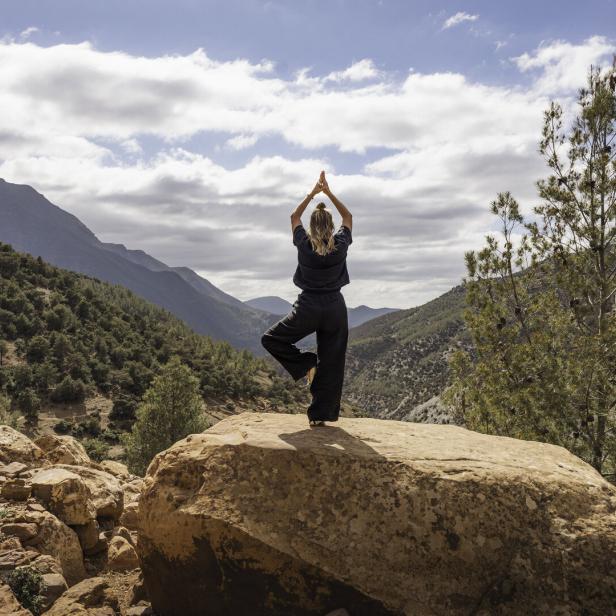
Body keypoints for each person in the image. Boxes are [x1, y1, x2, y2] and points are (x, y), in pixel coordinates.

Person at [261, 170, 353, 427]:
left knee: (271, 339)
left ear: (311, 227)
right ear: (331, 227)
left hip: (308, 306)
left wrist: (313, 193)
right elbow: (348, 216)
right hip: (335, 307)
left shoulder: (304, 244)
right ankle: (319, 415)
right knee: (333, 361)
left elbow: (293, 216)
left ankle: (307, 362)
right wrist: (329, 193)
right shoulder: (341, 244)